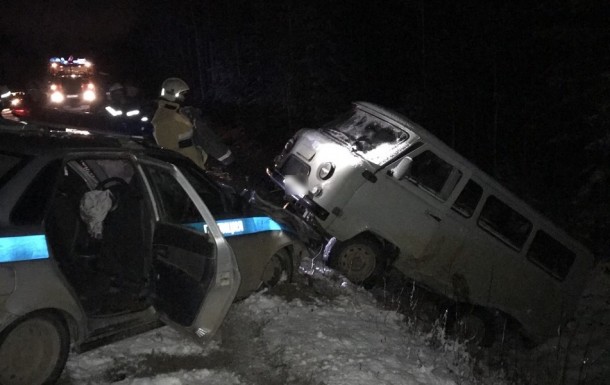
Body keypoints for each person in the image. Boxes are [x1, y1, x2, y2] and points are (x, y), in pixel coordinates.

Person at [151, 77, 234, 170]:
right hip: (185, 167)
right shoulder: (164, 118)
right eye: (182, 93)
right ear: (174, 93)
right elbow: (168, 150)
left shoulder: (176, 112)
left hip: (193, 161)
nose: (184, 97)